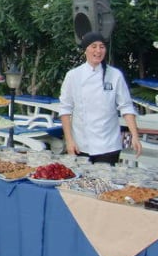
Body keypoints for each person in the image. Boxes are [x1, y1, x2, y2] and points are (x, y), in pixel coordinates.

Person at [58, 31, 141, 165]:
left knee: (105, 178)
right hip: (80, 143)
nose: (98, 51)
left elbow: (126, 106)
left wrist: (135, 136)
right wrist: (69, 140)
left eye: (102, 47)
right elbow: (65, 109)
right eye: (94, 46)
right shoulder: (73, 75)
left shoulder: (115, 75)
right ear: (85, 50)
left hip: (108, 144)